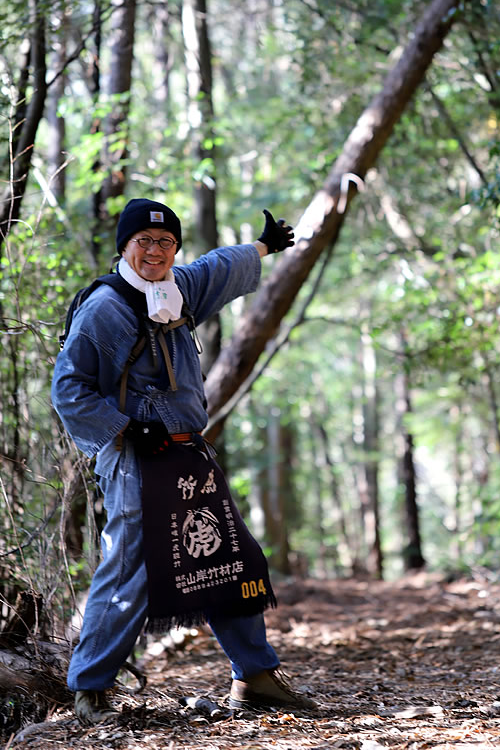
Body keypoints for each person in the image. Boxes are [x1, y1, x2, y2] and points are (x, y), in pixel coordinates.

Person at [52, 198, 316, 725]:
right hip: (134, 457)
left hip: (186, 451)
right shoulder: (106, 308)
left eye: (166, 241)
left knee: (225, 556)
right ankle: (89, 688)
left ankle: (255, 676)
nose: (156, 251)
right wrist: (128, 427)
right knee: (131, 568)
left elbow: (215, 267)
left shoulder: (177, 288)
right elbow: (68, 388)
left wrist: (264, 245)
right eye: (144, 242)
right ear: (124, 246)